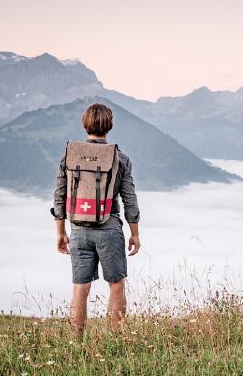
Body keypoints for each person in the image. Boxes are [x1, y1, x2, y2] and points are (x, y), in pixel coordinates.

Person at [52, 103, 141, 334]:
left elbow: (60, 197)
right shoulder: (120, 158)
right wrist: (135, 233)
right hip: (109, 228)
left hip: (79, 229)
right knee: (116, 285)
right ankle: (115, 340)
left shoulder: (69, 157)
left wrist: (60, 232)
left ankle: (76, 342)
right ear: (109, 126)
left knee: (80, 289)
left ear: (85, 124)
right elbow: (130, 199)